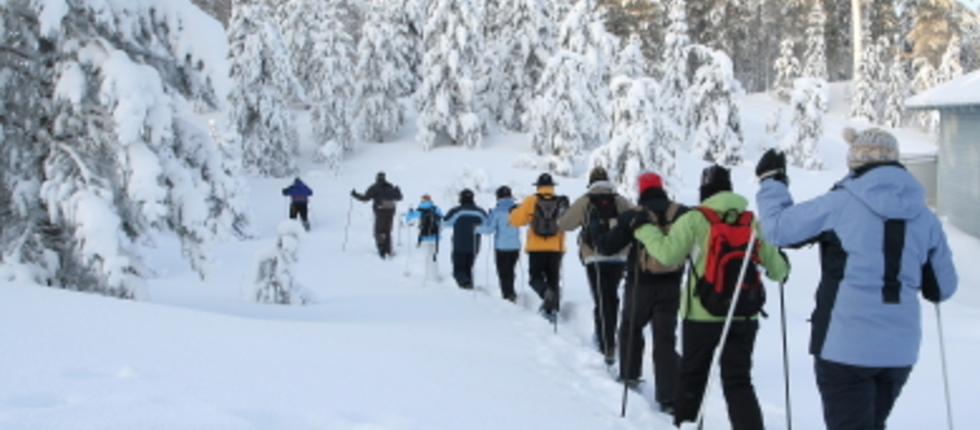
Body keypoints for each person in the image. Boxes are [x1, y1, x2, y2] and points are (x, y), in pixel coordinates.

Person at [754, 128, 957, 430]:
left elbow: (778, 229)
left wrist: (772, 181)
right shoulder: (925, 216)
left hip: (844, 346)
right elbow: (942, 288)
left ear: (855, 163)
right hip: (899, 352)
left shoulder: (840, 203)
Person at [631, 164, 789, 430]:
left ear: (704, 192)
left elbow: (668, 255)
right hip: (744, 313)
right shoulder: (752, 222)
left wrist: (643, 230)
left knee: (693, 378)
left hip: (702, 313)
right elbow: (779, 272)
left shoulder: (695, 219)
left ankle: (687, 424)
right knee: (738, 381)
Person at [591, 172, 688, 412]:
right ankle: (669, 398)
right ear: (661, 187)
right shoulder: (681, 213)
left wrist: (595, 228)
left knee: (631, 329)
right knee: (665, 338)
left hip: (640, 283)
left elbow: (607, 246)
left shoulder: (633, 215)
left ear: (640, 189)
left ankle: (629, 376)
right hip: (672, 284)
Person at [557, 167, 632, 363]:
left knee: (601, 298)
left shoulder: (586, 200)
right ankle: (609, 339)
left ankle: (605, 342)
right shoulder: (620, 200)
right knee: (611, 297)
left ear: (591, 182)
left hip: (594, 257)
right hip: (618, 257)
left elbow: (565, 224)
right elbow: (634, 219)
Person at [509, 173, 569, 321]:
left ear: (538, 186)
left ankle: (545, 293)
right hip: (556, 248)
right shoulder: (561, 201)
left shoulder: (531, 200)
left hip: (536, 248)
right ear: (552, 187)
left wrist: (513, 211)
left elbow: (516, 221)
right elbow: (567, 223)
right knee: (553, 279)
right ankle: (552, 310)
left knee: (535, 278)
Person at [478, 186, 522, 302]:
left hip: (501, 247)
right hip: (515, 246)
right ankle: (511, 291)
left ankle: (507, 295)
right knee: (511, 270)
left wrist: (476, 229)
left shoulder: (496, 211)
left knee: (503, 272)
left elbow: (489, 229)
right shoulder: (517, 209)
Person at [443, 189, 488, 289]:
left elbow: (445, 223)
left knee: (458, 269)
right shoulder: (480, 211)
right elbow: (487, 226)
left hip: (459, 244)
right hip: (474, 245)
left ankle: (464, 284)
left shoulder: (457, 211)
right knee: (468, 267)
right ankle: (468, 284)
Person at [352, 172, 403, 259]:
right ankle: (388, 250)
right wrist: (397, 190)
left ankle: (382, 249)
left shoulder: (375, 187)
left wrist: (355, 195)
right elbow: (399, 197)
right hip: (390, 211)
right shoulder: (390, 187)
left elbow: (365, 198)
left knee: (378, 232)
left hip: (380, 211)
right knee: (387, 231)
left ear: (377, 178)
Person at [404, 195, 443, 282]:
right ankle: (435, 276)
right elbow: (442, 219)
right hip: (436, 237)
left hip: (424, 238)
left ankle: (429, 278)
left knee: (426, 257)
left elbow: (407, 220)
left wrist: (410, 212)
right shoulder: (436, 209)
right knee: (434, 256)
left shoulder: (419, 210)